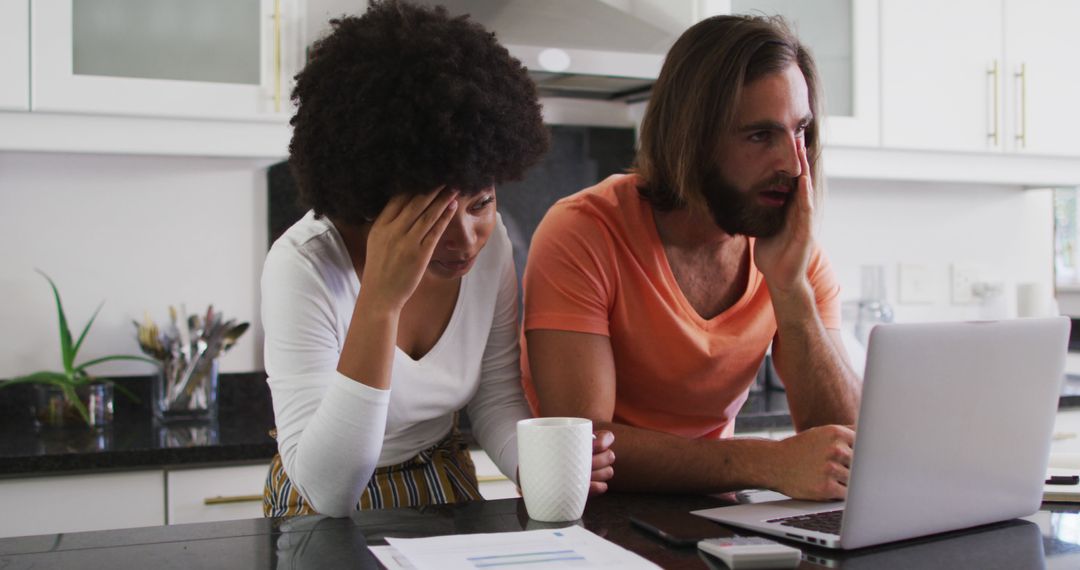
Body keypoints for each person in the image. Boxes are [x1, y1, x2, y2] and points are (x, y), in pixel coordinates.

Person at [261, 0, 614, 518]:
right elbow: (328, 488)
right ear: (373, 196)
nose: (467, 238)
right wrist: (380, 301)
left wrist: (540, 470)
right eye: (435, 217)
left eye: (481, 204)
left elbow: (494, 398)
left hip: (443, 485)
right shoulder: (304, 266)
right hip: (320, 513)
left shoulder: (492, 249)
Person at [520, 14, 861, 500]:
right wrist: (767, 461)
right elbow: (584, 443)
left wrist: (790, 289)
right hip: (599, 522)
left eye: (800, 130)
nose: (792, 163)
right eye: (760, 136)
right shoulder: (584, 231)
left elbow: (846, 448)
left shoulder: (792, 250)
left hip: (717, 512)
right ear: (694, 138)